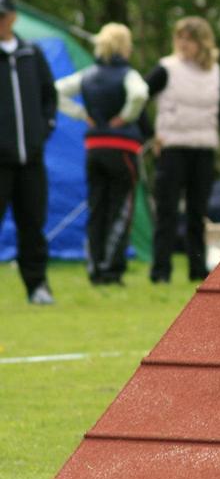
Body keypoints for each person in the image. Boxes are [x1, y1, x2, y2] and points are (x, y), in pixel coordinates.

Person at [145, 16, 220, 283]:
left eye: (189, 39)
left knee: (197, 214)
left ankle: (197, 270)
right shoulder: (166, 68)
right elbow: (138, 97)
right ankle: (160, 271)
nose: (183, 44)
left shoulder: (215, 73)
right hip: (172, 150)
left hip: (203, 150)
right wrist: (151, 135)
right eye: (179, 38)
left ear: (202, 43)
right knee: (166, 212)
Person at [55, 23, 149, 285]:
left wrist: (81, 114)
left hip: (94, 148)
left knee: (97, 206)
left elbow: (56, 90)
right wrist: (125, 117)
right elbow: (140, 94)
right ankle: (111, 270)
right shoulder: (128, 74)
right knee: (120, 208)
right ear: (124, 46)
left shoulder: (87, 75)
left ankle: (94, 267)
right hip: (122, 149)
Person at [0, 0, 57, 304]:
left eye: (2, 16)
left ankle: (37, 286)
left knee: (33, 225)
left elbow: (49, 95)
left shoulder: (31, 54)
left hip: (31, 159)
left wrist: (44, 128)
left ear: (13, 17)